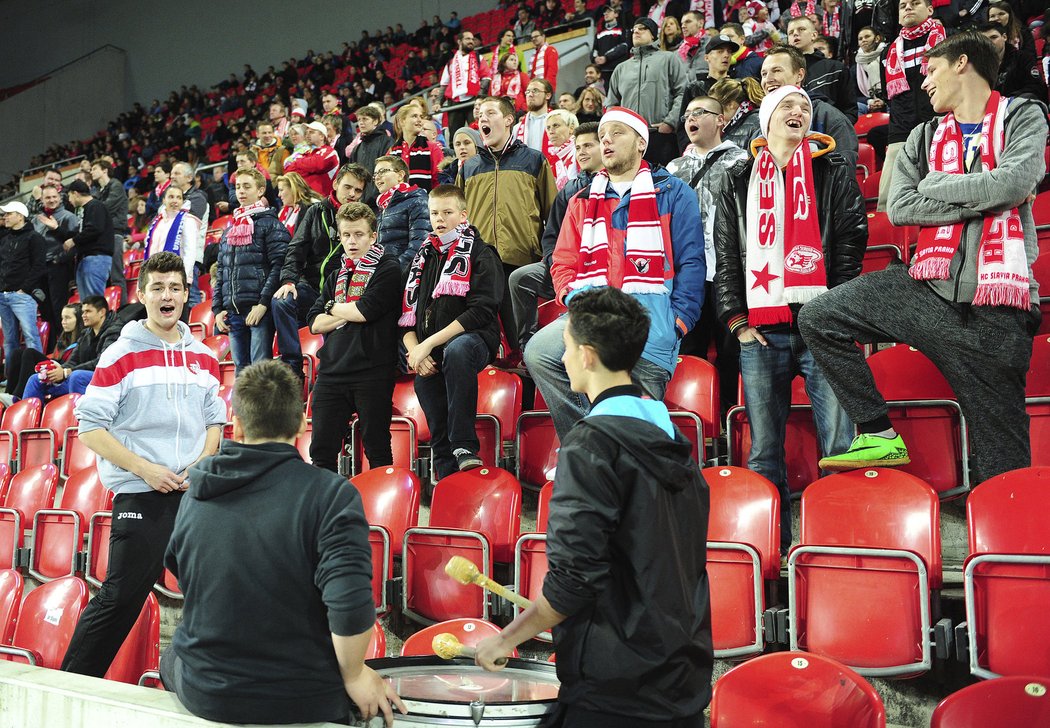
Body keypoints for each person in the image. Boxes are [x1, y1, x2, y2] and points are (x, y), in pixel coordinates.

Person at [798, 32, 1047, 482]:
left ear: (962, 63)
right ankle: (876, 432)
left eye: (931, 70)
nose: (924, 83)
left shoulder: (1024, 115)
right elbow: (900, 205)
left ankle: (1004, 546)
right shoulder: (925, 133)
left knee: (1002, 466)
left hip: (997, 309)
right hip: (925, 289)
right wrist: (989, 193)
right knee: (819, 316)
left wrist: (939, 186)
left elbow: (1013, 183)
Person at [475, 286, 713, 728]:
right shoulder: (677, 444)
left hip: (615, 690)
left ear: (586, 355)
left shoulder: (589, 446)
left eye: (565, 349)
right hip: (681, 679)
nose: (562, 360)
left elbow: (573, 580)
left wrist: (505, 639)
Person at [162, 357, 405, 725]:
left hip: (206, 691)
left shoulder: (197, 490)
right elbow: (351, 607)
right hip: (297, 698)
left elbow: (183, 579)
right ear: (301, 424)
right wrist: (355, 674)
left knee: (170, 658)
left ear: (237, 426)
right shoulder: (332, 495)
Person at [711, 85, 865, 554]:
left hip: (821, 328)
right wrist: (736, 321)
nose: (798, 112)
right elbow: (725, 256)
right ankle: (771, 552)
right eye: (787, 107)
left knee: (840, 445)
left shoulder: (832, 170)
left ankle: (841, 546)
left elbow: (850, 241)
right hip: (761, 332)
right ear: (766, 120)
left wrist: (833, 311)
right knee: (763, 452)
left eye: (804, 106)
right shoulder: (736, 179)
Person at [61, 251, 226, 678]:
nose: (167, 295)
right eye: (158, 287)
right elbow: (91, 430)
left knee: (222, 591)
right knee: (121, 597)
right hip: (141, 494)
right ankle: (71, 684)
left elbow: (215, 422)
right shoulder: (120, 354)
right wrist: (145, 469)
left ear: (187, 294)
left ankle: (217, 682)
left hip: (193, 496)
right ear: (142, 294)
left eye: (175, 287)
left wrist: (202, 464)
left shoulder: (204, 356)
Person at [524, 107, 705, 441]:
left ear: (640, 143)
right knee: (539, 352)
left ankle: (613, 448)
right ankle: (587, 441)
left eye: (617, 133)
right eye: (603, 135)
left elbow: (692, 263)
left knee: (639, 433)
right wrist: (576, 301)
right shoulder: (581, 200)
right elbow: (563, 262)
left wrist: (677, 323)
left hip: (652, 319)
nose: (606, 140)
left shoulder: (675, 193)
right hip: (592, 311)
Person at [400, 184, 504, 478]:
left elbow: (481, 311)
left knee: (457, 351)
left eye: (447, 212)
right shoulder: (423, 256)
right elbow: (407, 319)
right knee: (425, 383)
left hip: (475, 339)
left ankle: (464, 447)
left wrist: (427, 344)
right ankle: (446, 474)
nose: (440, 219)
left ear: (463, 215)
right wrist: (416, 351)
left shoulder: (482, 253)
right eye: (434, 213)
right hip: (430, 347)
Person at [667, 95, 750, 411]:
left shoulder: (741, 162)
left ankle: (732, 418)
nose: (691, 118)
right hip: (685, 276)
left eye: (700, 112)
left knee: (732, 351)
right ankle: (693, 417)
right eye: (687, 113)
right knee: (688, 351)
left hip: (727, 274)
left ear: (720, 119)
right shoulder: (673, 169)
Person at [308, 204, 402, 472]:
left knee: (377, 450)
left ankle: (380, 514)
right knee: (321, 452)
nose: (352, 241)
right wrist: (342, 310)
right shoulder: (337, 273)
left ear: (373, 236)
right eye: (346, 235)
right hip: (331, 372)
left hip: (372, 371)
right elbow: (314, 323)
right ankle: (324, 511)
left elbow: (365, 310)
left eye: (359, 234)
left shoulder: (388, 268)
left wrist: (332, 308)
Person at [460, 96, 558, 349]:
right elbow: (460, 219)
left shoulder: (534, 160)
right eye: (480, 114)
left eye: (490, 113)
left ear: (508, 120)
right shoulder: (469, 167)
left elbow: (553, 214)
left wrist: (549, 255)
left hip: (520, 262)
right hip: (480, 262)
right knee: (485, 336)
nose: (482, 118)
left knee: (521, 339)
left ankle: (526, 381)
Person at [510, 122, 603, 349]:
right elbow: (551, 236)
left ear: (604, 146)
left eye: (588, 146)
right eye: (578, 147)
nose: (581, 152)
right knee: (520, 279)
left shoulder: (618, 185)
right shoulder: (569, 190)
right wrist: (554, 262)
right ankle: (526, 346)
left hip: (599, 270)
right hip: (566, 267)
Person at [273, 164, 369, 380]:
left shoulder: (364, 217)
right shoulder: (315, 211)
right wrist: (289, 280)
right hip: (310, 287)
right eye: (348, 187)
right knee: (282, 301)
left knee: (333, 359)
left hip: (341, 295)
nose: (352, 194)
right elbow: (297, 247)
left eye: (358, 190)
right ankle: (293, 366)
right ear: (335, 184)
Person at [213, 168, 291, 374]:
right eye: (238, 187)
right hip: (233, 312)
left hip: (258, 311)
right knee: (241, 372)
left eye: (247, 186)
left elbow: (280, 265)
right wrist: (217, 309)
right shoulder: (230, 229)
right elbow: (222, 270)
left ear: (261, 190)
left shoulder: (271, 224)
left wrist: (263, 304)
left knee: (259, 372)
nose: (241, 191)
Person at [875, 0, 945, 211]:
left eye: (915, 3)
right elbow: (890, 95)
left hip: (939, 121)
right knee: (887, 199)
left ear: (930, 10)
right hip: (901, 128)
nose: (908, 8)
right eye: (903, 5)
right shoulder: (888, 52)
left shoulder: (947, 41)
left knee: (941, 188)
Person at [760, 46, 859, 168]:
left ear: (799, 75)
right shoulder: (758, 124)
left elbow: (844, 176)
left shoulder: (831, 118)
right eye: (764, 74)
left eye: (777, 71)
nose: (768, 79)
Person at [607, 18, 688, 166]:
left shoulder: (669, 59)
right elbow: (611, 105)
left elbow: (682, 92)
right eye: (634, 29)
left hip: (661, 136)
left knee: (662, 184)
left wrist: (670, 122)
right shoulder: (621, 68)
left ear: (653, 35)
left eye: (642, 28)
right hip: (628, 139)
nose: (636, 31)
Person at [19, 295, 122, 402]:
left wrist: (66, 372)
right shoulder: (86, 333)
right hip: (81, 377)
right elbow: (73, 361)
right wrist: (57, 371)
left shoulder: (114, 331)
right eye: (83, 312)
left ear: (102, 312)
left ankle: (77, 417)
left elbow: (101, 363)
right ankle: (29, 415)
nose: (83, 315)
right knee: (36, 379)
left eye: (88, 311)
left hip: (106, 378)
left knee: (77, 376)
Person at [2, 302, 82, 404]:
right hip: (58, 366)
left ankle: (18, 397)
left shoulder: (83, 339)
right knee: (17, 353)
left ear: (79, 319)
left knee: (29, 353)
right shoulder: (65, 338)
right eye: (62, 318)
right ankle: (9, 394)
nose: (63, 322)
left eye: (68, 318)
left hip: (65, 374)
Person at [33, 183, 80, 351]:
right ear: (42, 200)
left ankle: (66, 347)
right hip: (40, 270)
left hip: (58, 268)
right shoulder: (36, 220)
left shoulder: (68, 217)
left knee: (59, 308)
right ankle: (53, 347)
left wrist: (58, 260)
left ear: (60, 198)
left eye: (54, 197)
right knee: (46, 311)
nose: (51, 200)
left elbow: (74, 243)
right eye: (47, 197)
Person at [0, 201, 46, 372]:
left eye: (8, 213)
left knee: (31, 337)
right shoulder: (4, 238)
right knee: (9, 340)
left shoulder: (34, 238)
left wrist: (24, 289)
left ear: (20, 216)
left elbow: (39, 266)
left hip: (22, 296)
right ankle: (11, 376)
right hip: (3, 295)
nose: (5, 217)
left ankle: (40, 373)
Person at [786, 15, 858, 122]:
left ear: (814, 35)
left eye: (801, 29)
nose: (795, 34)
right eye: (791, 33)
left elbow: (850, 110)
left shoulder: (835, 68)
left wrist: (836, 130)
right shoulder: (785, 73)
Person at [676, 34, 740, 151]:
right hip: (701, 151)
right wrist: (687, 148)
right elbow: (682, 125)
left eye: (729, 52)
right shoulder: (694, 88)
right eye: (720, 51)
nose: (726, 55)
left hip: (735, 149)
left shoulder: (738, 88)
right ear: (706, 58)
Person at [373, 155, 432, 272]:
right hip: (384, 273)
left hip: (402, 274)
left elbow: (419, 243)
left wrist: (395, 270)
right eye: (375, 174)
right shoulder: (382, 207)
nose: (377, 177)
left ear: (400, 175)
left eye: (383, 171)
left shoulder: (417, 200)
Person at [143, 185, 203, 293]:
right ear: (164, 200)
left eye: (178, 198)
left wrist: (182, 276)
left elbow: (189, 251)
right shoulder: (156, 221)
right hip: (155, 277)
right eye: (171, 197)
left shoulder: (187, 220)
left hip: (176, 277)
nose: (175, 201)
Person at [63, 179, 115, 300]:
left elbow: (94, 229)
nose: (69, 200)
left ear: (75, 193)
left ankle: (103, 319)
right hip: (87, 259)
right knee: (87, 303)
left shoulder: (95, 206)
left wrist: (74, 241)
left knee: (94, 301)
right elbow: (83, 231)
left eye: (69, 195)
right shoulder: (87, 208)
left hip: (96, 259)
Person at [89, 159, 128, 305]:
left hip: (115, 234)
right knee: (104, 277)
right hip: (104, 236)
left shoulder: (116, 185)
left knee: (116, 274)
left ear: (104, 170)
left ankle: (123, 309)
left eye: (94, 168)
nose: (91, 171)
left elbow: (106, 208)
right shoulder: (99, 190)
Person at [980, 21, 1047, 101]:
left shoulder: (1023, 58)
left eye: (993, 37)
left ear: (1004, 37)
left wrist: (1007, 101)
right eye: (985, 39)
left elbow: (1036, 87)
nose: (989, 42)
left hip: (1018, 106)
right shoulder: (977, 65)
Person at [439, 31, 491, 133]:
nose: (471, 41)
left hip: (473, 101)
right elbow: (444, 84)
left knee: (479, 132)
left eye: (472, 39)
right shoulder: (450, 62)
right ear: (459, 41)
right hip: (454, 103)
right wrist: (438, 102)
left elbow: (486, 78)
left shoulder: (478, 58)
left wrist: (479, 98)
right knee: (455, 135)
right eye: (468, 39)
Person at [390, 102, 445, 192]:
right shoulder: (392, 151)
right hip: (397, 204)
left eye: (421, 117)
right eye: (414, 116)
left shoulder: (433, 148)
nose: (420, 120)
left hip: (425, 203)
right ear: (402, 121)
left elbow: (440, 181)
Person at [346, 105, 393, 208]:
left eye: (365, 119)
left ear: (375, 121)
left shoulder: (387, 142)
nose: (361, 122)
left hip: (382, 199)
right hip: (361, 201)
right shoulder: (357, 148)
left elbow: (389, 170)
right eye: (359, 120)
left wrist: (377, 194)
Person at [284, 121, 340, 197]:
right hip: (306, 198)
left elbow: (318, 165)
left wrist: (298, 163)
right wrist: (308, 166)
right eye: (306, 133)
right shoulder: (306, 154)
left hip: (323, 199)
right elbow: (289, 171)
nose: (307, 135)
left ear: (322, 136)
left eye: (311, 132)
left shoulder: (331, 152)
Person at [709, 77, 766, 150]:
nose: (713, 110)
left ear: (730, 104)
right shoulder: (731, 126)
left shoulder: (757, 122)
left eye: (715, 105)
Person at [592, 5, 631, 85]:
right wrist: (595, 58)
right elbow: (594, 49)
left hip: (618, 70)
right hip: (603, 72)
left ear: (616, 14)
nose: (606, 14)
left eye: (609, 12)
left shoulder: (623, 30)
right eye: (604, 13)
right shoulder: (599, 34)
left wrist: (606, 57)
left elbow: (624, 47)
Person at [514, 78, 554, 153]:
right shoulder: (516, 129)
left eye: (535, 91)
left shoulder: (559, 124)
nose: (530, 95)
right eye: (528, 92)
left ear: (548, 95)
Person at [854, 26, 887, 114]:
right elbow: (854, 94)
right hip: (868, 102)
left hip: (889, 100)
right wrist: (870, 101)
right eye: (860, 39)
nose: (863, 40)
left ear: (877, 38)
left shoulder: (888, 55)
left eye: (867, 36)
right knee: (857, 107)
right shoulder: (856, 65)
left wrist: (884, 101)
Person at [678, 11, 710, 80]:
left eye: (688, 22)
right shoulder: (680, 49)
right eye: (682, 23)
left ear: (700, 23)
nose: (683, 26)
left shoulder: (711, 45)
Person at [529, 28, 560, 93]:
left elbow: (552, 70)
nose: (534, 39)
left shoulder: (550, 50)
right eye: (532, 38)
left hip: (547, 88)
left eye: (536, 36)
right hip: (536, 89)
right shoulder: (534, 54)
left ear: (543, 36)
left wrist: (546, 87)